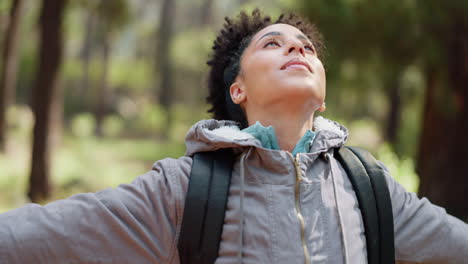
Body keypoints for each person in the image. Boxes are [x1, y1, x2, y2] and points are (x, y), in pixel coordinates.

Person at [1, 9, 467, 264]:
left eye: (305, 47)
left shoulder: (370, 186)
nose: (297, 47)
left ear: (321, 97)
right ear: (237, 89)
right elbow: (43, 235)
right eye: (272, 43)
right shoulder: (184, 191)